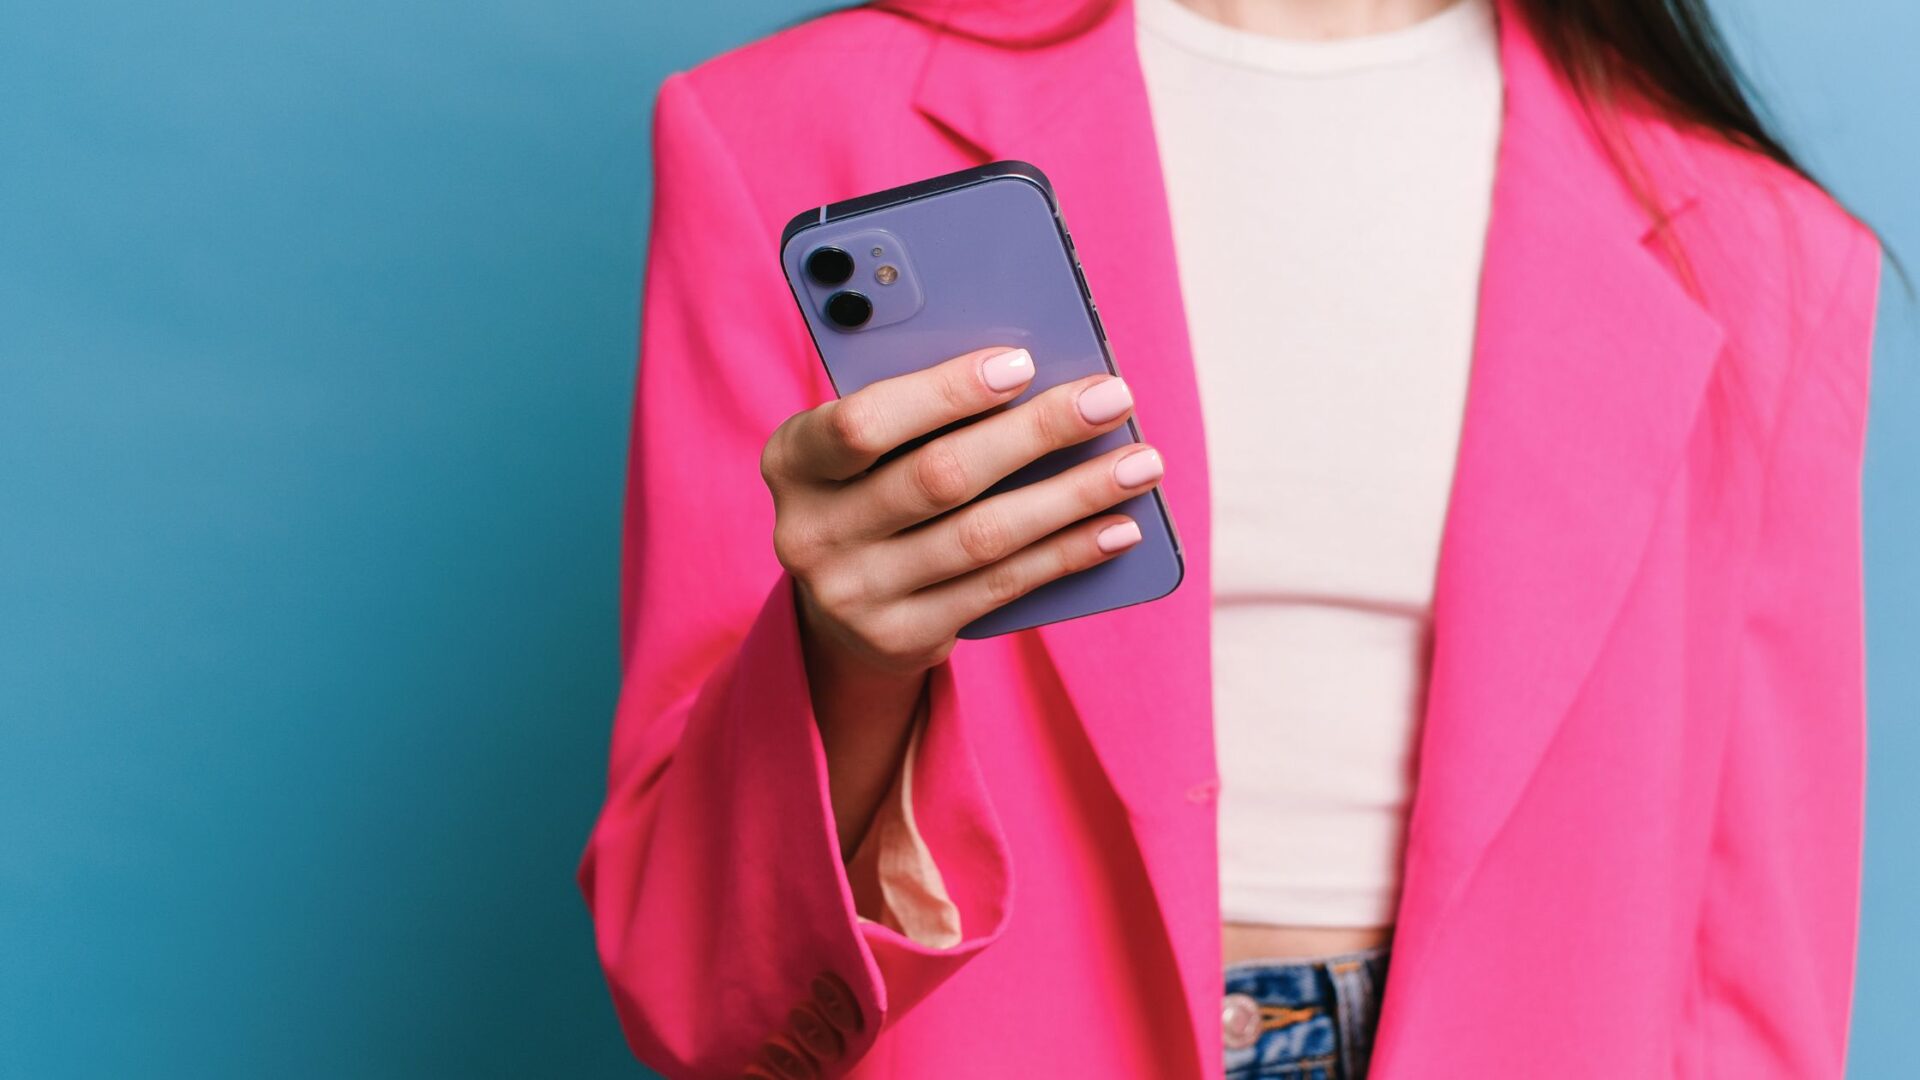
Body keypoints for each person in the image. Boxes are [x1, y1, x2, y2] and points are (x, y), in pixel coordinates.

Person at [580, 0, 1884, 1076]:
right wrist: (849, 658)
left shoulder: (1770, 250)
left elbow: (1755, 982)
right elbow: (699, 994)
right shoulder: (783, 136)